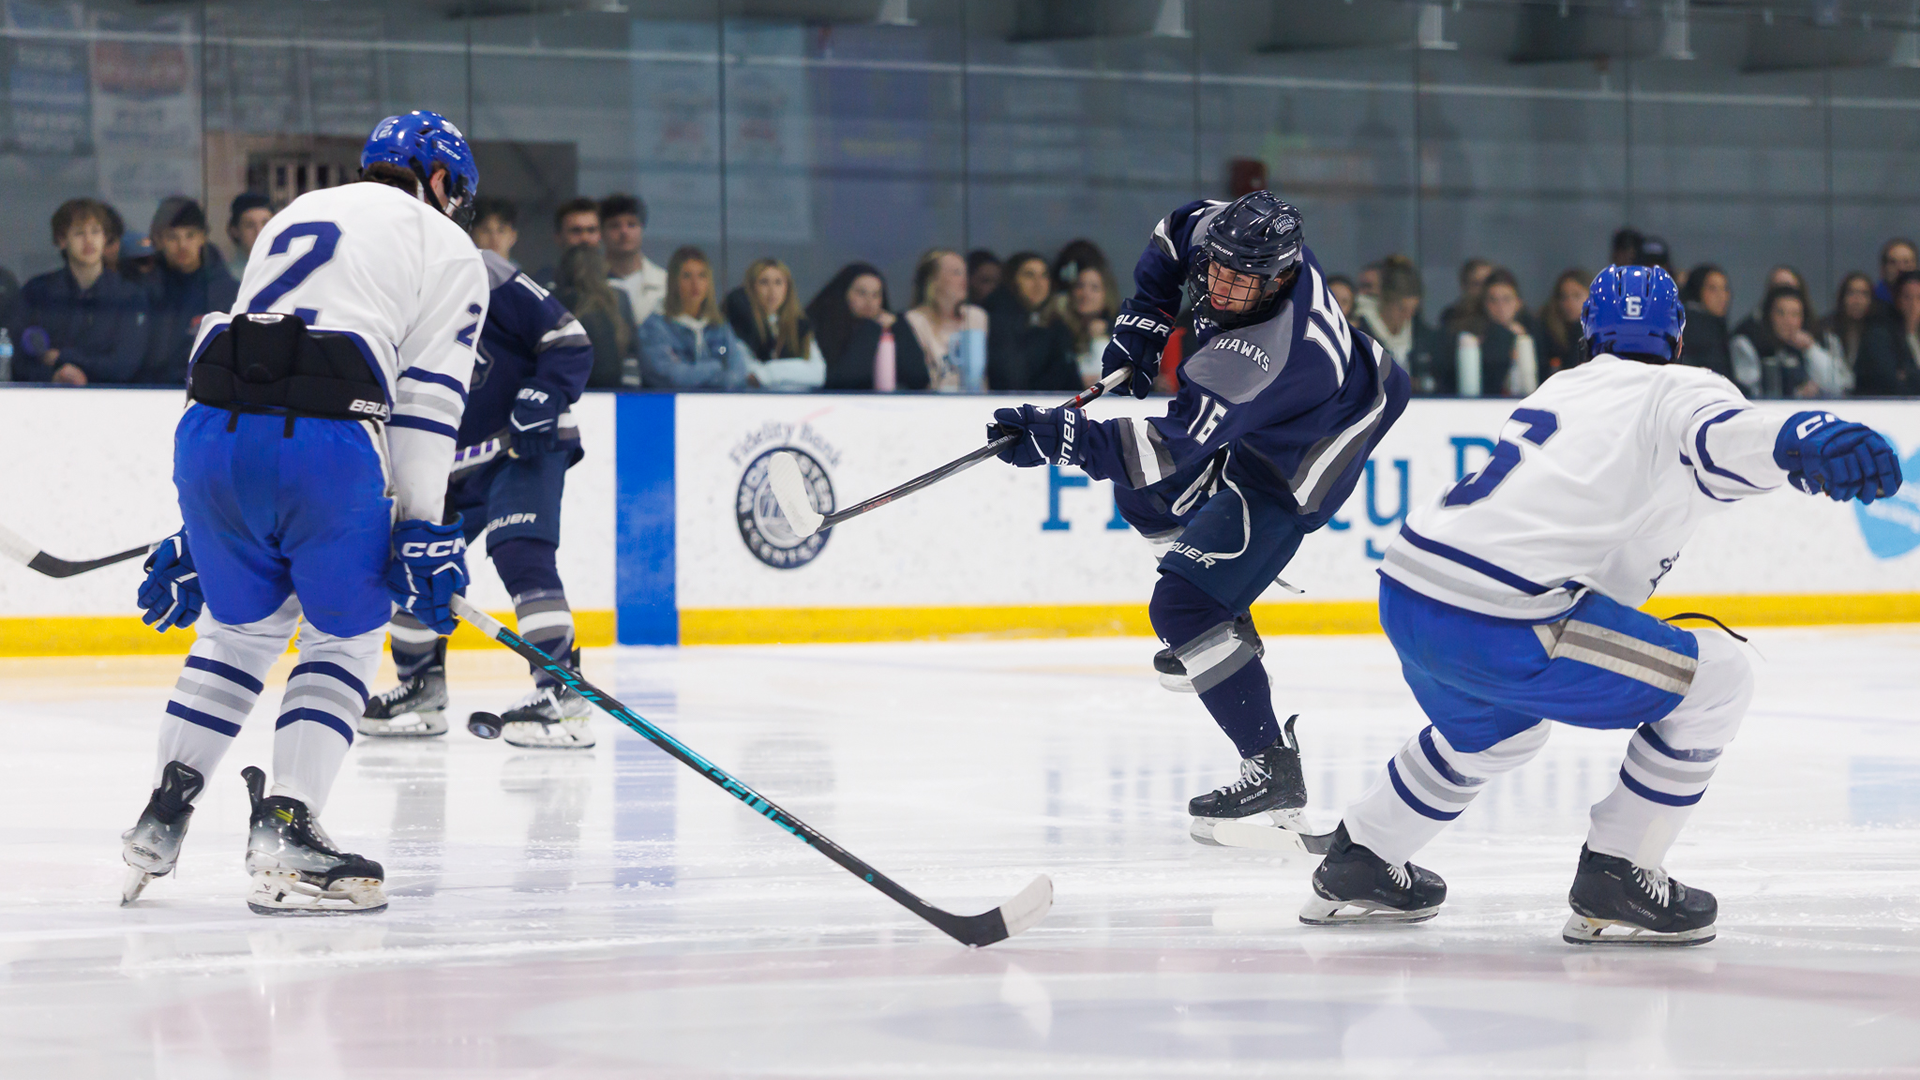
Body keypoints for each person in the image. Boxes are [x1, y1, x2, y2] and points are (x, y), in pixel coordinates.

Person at [1301, 265, 1903, 946]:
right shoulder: (1682, 387)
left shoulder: (1566, 387)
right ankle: (1620, 869)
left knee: (1502, 729)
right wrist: (1803, 437)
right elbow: (1721, 436)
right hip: (1507, 614)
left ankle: (1362, 857)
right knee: (1719, 679)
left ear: (1589, 336)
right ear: (1677, 339)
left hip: (1409, 589)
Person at [119, 110, 488, 915]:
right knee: (346, 632)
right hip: (326, 446)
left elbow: (246, 357)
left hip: (211, 438)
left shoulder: (295, 214)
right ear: (436, 180)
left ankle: (165, 810)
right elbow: (426, 408)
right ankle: (286, 824)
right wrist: (421, 530)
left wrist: (199, 518)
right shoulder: (447, 246)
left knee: (238, 629)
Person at [988, 191, 1411, 848]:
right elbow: (1173, 232)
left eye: (1241, 280)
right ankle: (1229, 611)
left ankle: (1270, 765)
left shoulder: (1265, 355)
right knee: (1143, 500)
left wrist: (1061, 438)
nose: (1220, 284)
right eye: (1217, 268)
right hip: (1290, 411)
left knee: (1183, 608)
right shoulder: (1234, 241)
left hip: (1310, 451)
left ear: (1276, 279)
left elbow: (1165, 448)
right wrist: (1145, 318)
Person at [361, 245, 596, 749]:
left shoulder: (476, 268)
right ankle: (421, 685)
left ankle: (562, 693)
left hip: (521, 443)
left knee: (520, 552)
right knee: (413, 559)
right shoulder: (370, 293)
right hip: (443, 459)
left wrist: (546, 391)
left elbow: (568, 338)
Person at [14, 197, 148, 385]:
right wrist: (52, 377)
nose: (88, 240)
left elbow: (125, 364)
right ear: (61, 240)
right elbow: (18, 362)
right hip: (45, 403)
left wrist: (63, 357)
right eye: (79, 233)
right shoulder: (37, 293)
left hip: (112, 404)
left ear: (105, 238)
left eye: (95, 232)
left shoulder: (129, 296)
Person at [137, 196, 240, 387]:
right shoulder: (145, 290)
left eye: (190, 235)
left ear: (203, 237)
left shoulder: (227, 292)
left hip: (206, 394)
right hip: (150, 393)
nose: (182, 245)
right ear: (159, 241)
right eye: (172, 237)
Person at [807, 262, 928, 391]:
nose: (869, 301)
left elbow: (919, 379)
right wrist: (871, 329)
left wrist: (899, 328)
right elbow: (842, 380)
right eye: (861, 293)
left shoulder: (891, 327)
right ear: (843, 293)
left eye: (876, 295)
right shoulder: (821, 325)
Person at [638, 246, 745, 389]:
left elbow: (737, 374)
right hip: (670, 407)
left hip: (715, 407)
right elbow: (670, 377)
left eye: (702, 276)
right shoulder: (655, 327)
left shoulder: (719, 326)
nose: (695, 284)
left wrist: (694, 373)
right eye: (687, 276)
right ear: (674, 281)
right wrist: (716, 367)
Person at [725, 258, 825, 390]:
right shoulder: (739, 326)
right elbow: (748, 373)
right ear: (751, 288)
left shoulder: (800, 326)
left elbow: (818, 373)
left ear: (787, 288)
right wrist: (797, 370)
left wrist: (766, 374)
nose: (772, 290)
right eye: (764, 282)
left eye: (778, 282)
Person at [983, 251, 1077, 392]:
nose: (1038, 284)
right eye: (1029, 275)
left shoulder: (1057, 325)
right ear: (1012, 280)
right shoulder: (996, 322)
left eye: (1044, 276)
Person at [1355, 254, 1445, 394]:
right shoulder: (1359, 330)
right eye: (1402, 309)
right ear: (1384, 300)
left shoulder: (1421, 334)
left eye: (1413, 310)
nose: (1408, 316)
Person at [552, 244, 637, 388]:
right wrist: (631, 394)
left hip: (570, 391)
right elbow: (632, 357)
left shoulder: (556, 303)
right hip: (614, 390)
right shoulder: (619, 299)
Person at [1731, 285, 1837, 398]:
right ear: (1769, 315)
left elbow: (1835, 386)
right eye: (1781, 313)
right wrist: (1794, 396)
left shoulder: (1813, 344)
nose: (1788, 321)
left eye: (1795, 314)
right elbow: (1749, 393)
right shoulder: (1748, 343)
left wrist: (1811, 349)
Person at [903, 249, 986, 392]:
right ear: (933, 280)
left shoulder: (975, 317)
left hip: (976, 404)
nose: (964, 279)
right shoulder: (914, 320)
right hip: (935, 405)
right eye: (956, 273)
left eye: (965, 273)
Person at [1451, 268, 1538, 397]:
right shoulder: (1472, 335)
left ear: (1518, 303)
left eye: (1506, 299)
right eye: (1493, 300)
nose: (1500, 306)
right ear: (1484, 304)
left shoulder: (1534, 332)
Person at [602, 193, 666, 326]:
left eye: (631, 224)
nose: (624, 232)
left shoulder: (665, 283)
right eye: (615, 226)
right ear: (601, 233)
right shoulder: (588, 283)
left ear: (642, 229)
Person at [1056, 255, 1120, 387]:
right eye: (1080, 286)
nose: (1085, 293)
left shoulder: (1122, 331)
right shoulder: (1058, 331)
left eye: (1094, 288)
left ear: (1106, 293)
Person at [1855, 270, 1920, 396]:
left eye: (1919, 298)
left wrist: (1907, 375)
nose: (1914, 304)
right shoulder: (1879, 335)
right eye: (1907, 297)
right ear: (1897, 300)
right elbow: (1890, 382)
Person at [1678, 264, 1734, 383]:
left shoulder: (1716, 327)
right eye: (1713, 289)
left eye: (1725, 289)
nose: (1721, 296)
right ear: (1697, 290)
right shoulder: (1695, 328)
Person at [1817, 272, 1875, 381]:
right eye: (1851, 293)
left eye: (1864, 294)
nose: (1857, 300)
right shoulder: (1825, 328)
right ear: (1842, 297)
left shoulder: (1879, 333)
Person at [1537, 269, 1590, 376]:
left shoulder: (1601, 335)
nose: (1569, 303)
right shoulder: (1548, 332)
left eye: (1576, 296)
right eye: (1564, 297)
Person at [225, 193, 273, 279]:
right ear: (235, 230)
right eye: (250, 225)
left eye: (265, 223)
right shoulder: (228, 275)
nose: (259, 232)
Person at [1438, 257, 1491, 332]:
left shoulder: (1498, 316)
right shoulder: (1452, 316)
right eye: (1476, 284)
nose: (1483, 289)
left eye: (1487, 283)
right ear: (1464, 286)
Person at [1873, 237, 1917, 315]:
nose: (1901, 268)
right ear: (1883, 269)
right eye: (1893, 263)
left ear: (1916, 267)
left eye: (1906, 262)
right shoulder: (1870, 304)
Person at [469, 197, 520, 264]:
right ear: (472, 234)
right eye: (486, 230)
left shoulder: (523, 274)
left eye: (501, 230)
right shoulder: (462, 272)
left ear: (513, 236)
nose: (494, 238)